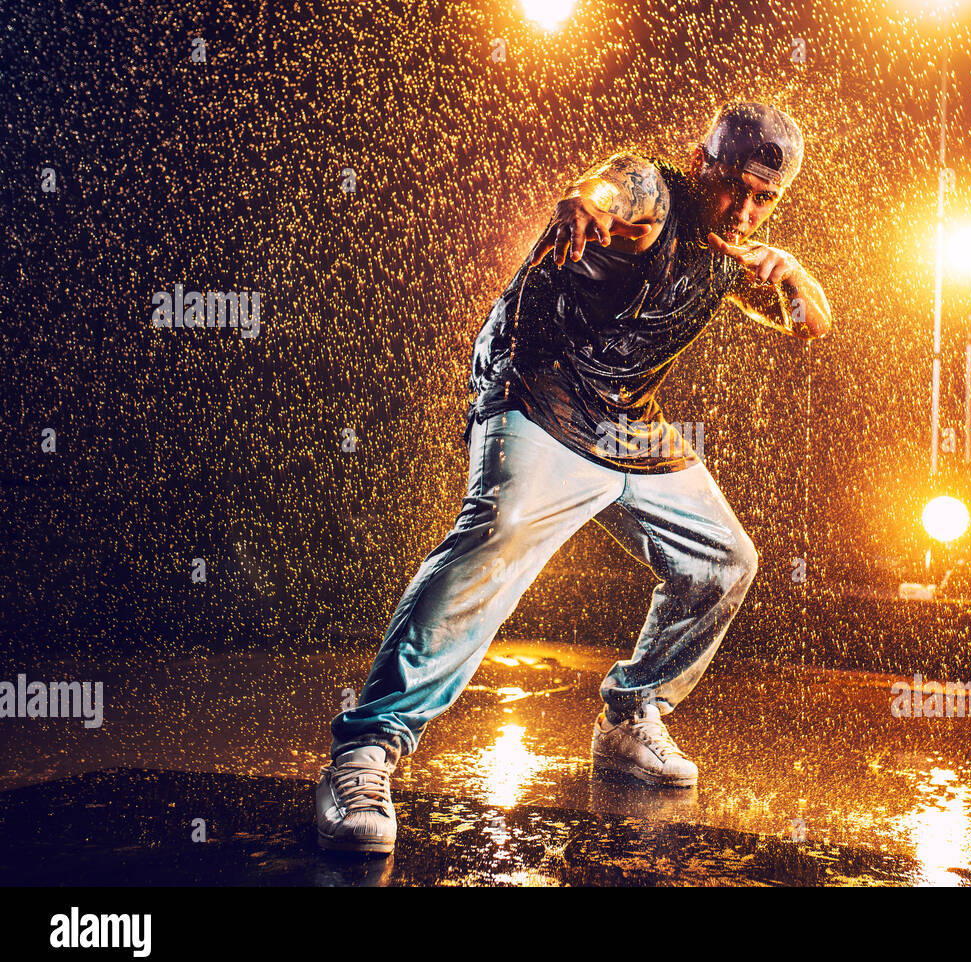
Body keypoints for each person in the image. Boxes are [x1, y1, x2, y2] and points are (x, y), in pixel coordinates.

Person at [315, 101, 832, 854]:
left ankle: (630, 716)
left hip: (625, 420)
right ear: (703, 162)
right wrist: (586, 203)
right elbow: (612, 190)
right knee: (498, 533)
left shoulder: (733, 248)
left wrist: (795, 276)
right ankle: (364, 752)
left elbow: (812, 323)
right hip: (541, 388)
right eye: (735, 188)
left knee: (724, 561)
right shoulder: (655, 195)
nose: (746, 210)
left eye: (765, 200)